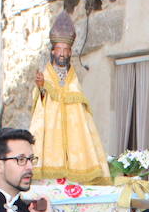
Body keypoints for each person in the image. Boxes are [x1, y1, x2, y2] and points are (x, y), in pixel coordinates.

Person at [29, 10, 108, 185]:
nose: (63, 53)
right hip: (51, 133)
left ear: (70, 52)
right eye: (60, 50)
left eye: (66, 50)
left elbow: (80, 110)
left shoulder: (74, 79)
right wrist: (42, 88)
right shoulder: (45, 76)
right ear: (53, 51)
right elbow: (39, 103)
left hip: (74, 138)